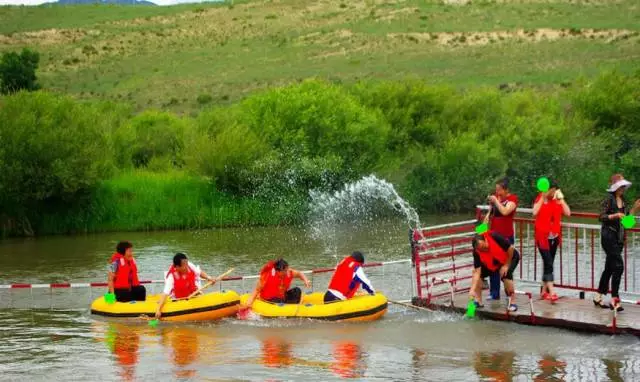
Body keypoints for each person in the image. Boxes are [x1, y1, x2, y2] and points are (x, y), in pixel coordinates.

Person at [593, 174, 640, 312]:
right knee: (618, 266)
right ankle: (615, 299)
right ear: (615, 187)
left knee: (609, 268)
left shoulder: (624, 201)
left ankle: (598, 296)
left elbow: (627, 223)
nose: (623, 188)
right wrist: (615, 215)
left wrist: (635, 209)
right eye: (621, 186)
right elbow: (601, 217)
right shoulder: (609, 200)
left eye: (624, 186)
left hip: (619, 238)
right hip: (608, 237)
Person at [532, 179, 570, 302]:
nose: (552, 193)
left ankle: (544, 291)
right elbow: (534, 212)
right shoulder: (540, 199)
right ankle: (552, 292)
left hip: (554, 237)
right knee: (548, 263)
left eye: (554, 191)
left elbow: (568, 213)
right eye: (551, 191)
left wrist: (562, 199)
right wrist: (543, 198)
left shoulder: (557, 200)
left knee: (549, 264)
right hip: (542, 237)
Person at [469, 229, 520, 312]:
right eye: (481, 249)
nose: (484, 250)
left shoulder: (495, 237)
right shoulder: (476, 252)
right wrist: (472, 289)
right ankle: (478, 301)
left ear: (485, 240)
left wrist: (506, 265)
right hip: (495, 261)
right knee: (477, 274)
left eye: (483, 246)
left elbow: (510, 248)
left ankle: (513, 302)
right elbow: (477, 272)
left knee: (505, 274)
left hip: (510, 257)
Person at [155, 253, 218, 319]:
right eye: (184, 266)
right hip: (179, 300)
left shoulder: (189, 265)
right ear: (177, 267)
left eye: (187, 264)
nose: (187, 267)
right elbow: (165, 293)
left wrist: (209, 278)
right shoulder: (171, 277)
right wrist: (158, 309)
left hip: (193, 294)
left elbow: (199, 272)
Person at [486, 177, 519, 300]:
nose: (497, 192)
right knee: (493, 265)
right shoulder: (496, 199)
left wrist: (496, 201)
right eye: (496, 190)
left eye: (499, 190)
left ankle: (509, 293)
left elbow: (505, 211)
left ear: (506, 190)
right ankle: (494, 292)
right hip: (494, 236)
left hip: (506, 237)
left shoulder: (512, 199)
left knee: (506, 265)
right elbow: (491, 214)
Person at [244, 258, 311, 307]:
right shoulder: (267, 276)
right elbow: (256, 291)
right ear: (277, 271)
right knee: (278, 300)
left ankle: (293, 308)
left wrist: (306, 280)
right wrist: (248, 304)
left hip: (282, 297)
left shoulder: (288, 272)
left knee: (297, 290)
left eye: (287, 269)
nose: (286, 272)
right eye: (284, 271)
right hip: (269, 299)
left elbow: (299, 274)